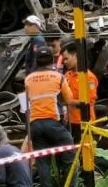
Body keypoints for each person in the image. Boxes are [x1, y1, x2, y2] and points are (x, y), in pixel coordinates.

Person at [25, 46, 74, 187]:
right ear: (52, 61)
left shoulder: (28, 79)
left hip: (35, 125)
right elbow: (69, 100)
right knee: (70, 158)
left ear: (37, 61)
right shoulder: (59, 77)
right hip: (53, 124)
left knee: (43, 163)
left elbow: (26, 105)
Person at [61, 44, 99, 142]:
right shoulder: (67, 76)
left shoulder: (88, 77)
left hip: (84, 122)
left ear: (75, 55)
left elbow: (89, 101)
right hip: (70, 121)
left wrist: (70, 102)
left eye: (66, 59)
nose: (64, 62)